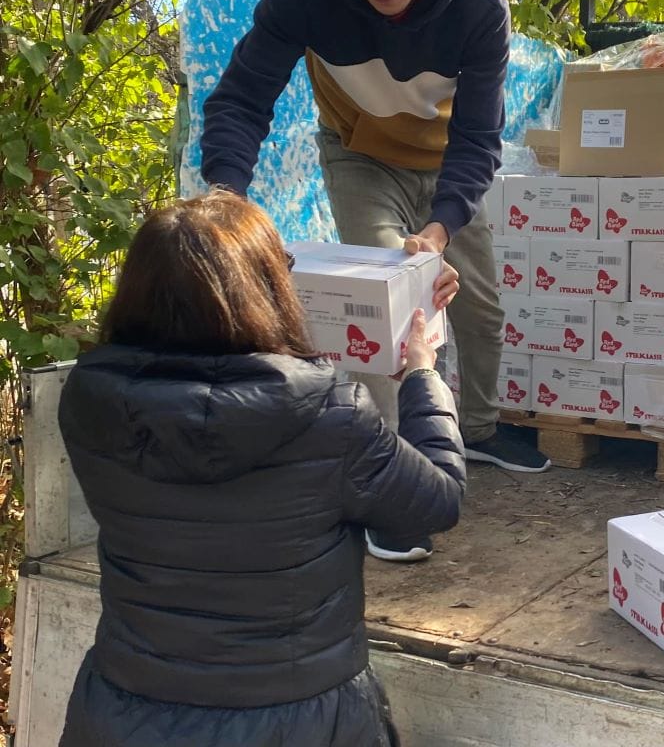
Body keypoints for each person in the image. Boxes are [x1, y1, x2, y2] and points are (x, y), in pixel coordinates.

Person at [200, 0, 550, 562]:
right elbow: (240, 98)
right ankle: (389, 480)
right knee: (388, 304)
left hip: (447, 162)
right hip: (358, 154)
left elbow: (479, 137)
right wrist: (224, 199)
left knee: (479, 306)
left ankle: (478, 431)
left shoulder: (479, 7)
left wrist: (441, 228)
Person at [57, 190, 466, 747]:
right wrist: (421, 377)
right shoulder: (331, 416)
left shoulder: (90, 400)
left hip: (124, 713)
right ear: (267, 288)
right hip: (300, 721)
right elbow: (437, 501)